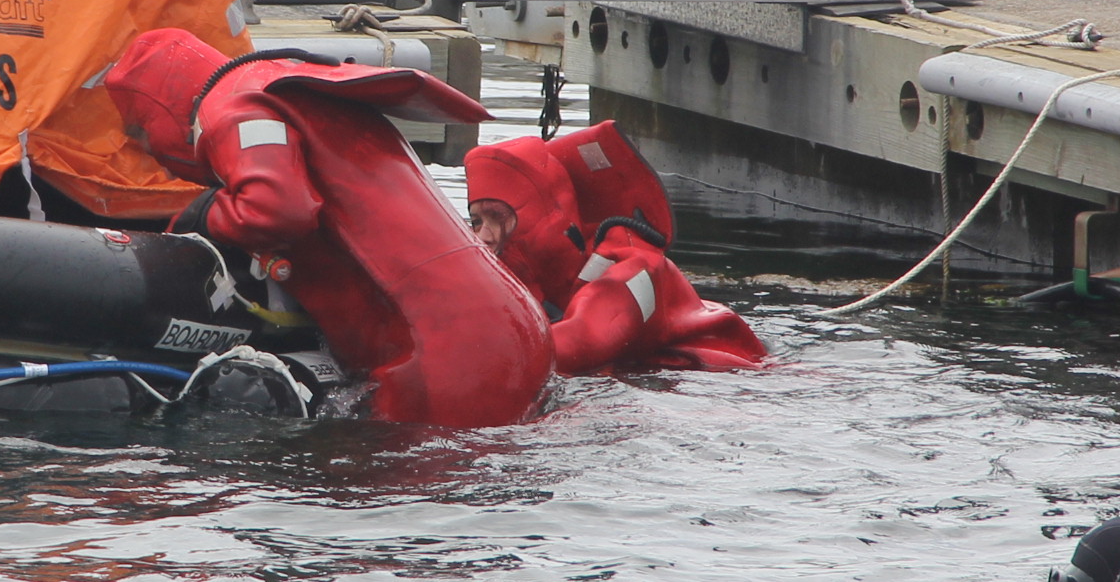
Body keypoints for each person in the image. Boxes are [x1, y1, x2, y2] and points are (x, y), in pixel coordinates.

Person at [104, 28, 551, 427]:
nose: (152, 157)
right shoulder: (285, 87)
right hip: (512, 327)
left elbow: (276, 210)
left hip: (450, 354)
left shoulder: (235, 107)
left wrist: (209, 213)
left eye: (140, 133)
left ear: (162, 108)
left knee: (395, 486)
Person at [463, 125, 765, 373]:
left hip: (730, 381)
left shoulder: (635, 265)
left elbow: (586, 339)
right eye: (476, 222)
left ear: (544, 215)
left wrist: (474, 359)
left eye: (498, 217)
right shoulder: (518, 282)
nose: (482, 236)